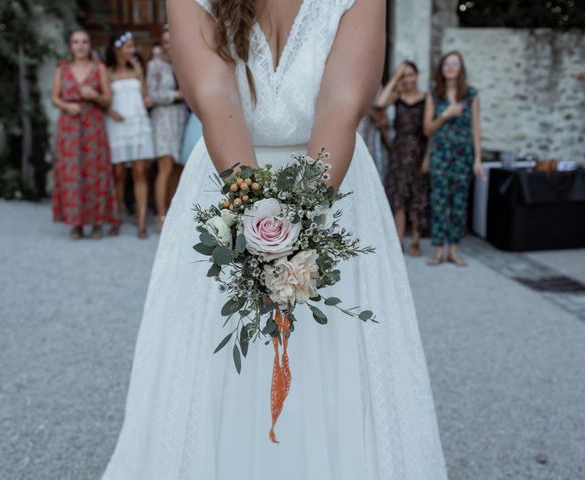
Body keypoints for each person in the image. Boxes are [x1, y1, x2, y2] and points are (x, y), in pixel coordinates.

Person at [101, 1, 448, 479]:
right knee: (216, 362)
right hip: (228, 182)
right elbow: (213, 95)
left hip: (333, 183)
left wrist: (300, 228)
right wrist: (260, 223)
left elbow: (341, 105)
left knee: (336, 358)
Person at [51, 29, 118, 240]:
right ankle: (76, 224)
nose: (80, 46)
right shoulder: (62, 69)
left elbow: (108, 100)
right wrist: (67, 106)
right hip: (69, 127)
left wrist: (95, 95)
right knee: (71, 174)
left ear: (90, 45)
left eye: (84, 42)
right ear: (70, 46)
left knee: (96, 172)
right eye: (75, 42)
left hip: (93, 125)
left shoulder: (99, 68)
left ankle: (97, 223)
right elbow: (54, 98)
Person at [424, 51, 483, 266]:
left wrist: (477, 158)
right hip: (440, 155)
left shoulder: (472, 95)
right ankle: (438, 250)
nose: (450, 67)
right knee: (439, 202)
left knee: (459, 203)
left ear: (460, 68)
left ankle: (454, 250)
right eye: (446, 63)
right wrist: (446, 115)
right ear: (441, 68)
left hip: (463, 156)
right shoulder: (434, 94)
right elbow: (427, 129)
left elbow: (476, 129)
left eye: (454, 63)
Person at [105, 31, 155, 239]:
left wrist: (146, 97)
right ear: (117, 49)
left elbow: (145, 97)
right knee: (117, 173)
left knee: (140, 172)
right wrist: (109, 111)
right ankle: (116, 218)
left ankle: (141, 221)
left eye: (133, 46)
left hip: (137, 123)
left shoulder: (137, 68)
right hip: (117, 125)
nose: (132, 50)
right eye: (129, 46)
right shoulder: (108, 71)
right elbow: (104, 98)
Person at [376, 61, 429, 256]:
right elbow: (380, 103)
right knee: (398, 197)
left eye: (410, 74)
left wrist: (427, 158)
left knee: (417, 197)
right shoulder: (397, 97)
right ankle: (399, 241)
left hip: (418, 152)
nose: (407, 79)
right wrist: (395, 77)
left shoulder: (426, 98)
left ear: (416, 75)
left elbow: (429, 132)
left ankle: (415, 240)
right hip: (398, 153)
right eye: (404, 75)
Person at [146, 25, 188, 232]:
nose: (168, 46)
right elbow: (151, 95)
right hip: (163, 117)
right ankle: (160, 214)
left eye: (170, 41)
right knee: (165, 165)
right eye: (164, 43)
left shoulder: (184, 62)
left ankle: (174, 211)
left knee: (177, 167)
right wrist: (175, 95)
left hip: (182, 117)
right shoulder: (156, 65)